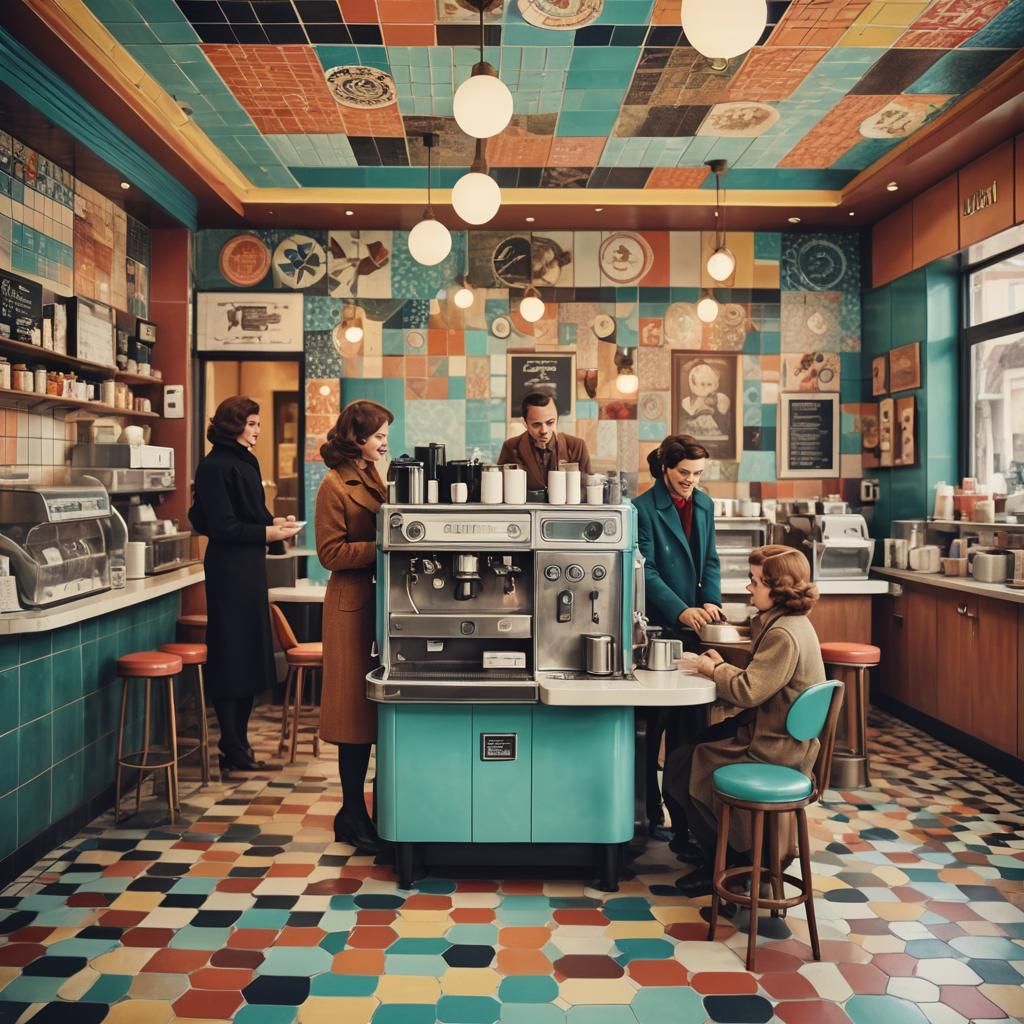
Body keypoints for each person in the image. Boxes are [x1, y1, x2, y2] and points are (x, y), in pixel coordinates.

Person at [667, 545, 826, 897]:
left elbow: (749, 690)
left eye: (755, 581)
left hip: (774, 747)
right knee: (693, 748)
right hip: (780, 736)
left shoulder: (783, 633)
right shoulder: (790, 623)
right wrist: (720, 667)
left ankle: (726, 861)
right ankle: (724, 852)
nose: (748, 588)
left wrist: (712, 668)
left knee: (684, 762)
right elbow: (764, 681)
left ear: (778, 589)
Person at [188, 396, 301, 772]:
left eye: (257, 423)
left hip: (249, 567)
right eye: (251, 424)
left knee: (250, 653)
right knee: (231, 654)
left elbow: (251, 516)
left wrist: (276, 524)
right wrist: (268, 533)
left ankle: (240, 744)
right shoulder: (214, 467)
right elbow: (223, 527)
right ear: (232, 425)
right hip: (228, 570)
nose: (257, 430)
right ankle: (231, 746)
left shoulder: (246, 461)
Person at [632, 434, 725, 842]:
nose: (691, 480)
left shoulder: (704, 504)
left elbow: (711, 560)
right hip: (657, 628)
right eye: (684, 472)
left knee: (689, 732)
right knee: (651, 729)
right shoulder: (641, 509)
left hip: (694, 630)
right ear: (665, 468)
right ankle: (648, 814)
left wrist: (711, 602)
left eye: (698, 474)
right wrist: (680, 609)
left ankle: (686, 823)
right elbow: (646, 570)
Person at [315, 399, 394, 853]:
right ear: (358, 438)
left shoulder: (371, 475)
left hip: (374, 603)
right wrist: (384, 543)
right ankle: (350, 813)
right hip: (350, 609)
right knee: (352, 717)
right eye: (379, 436)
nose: (384, 443)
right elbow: (330, 553)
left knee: (371, 715)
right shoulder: (333, 485)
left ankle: (362, 811)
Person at [497, 392, 592, 490]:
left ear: (557, 420)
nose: (544, 431)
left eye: (550, 423)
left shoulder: (577, 446)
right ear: (525, 423)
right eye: (536, 425)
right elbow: (501, 487)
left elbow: (587, 489)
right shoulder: (511, 446)